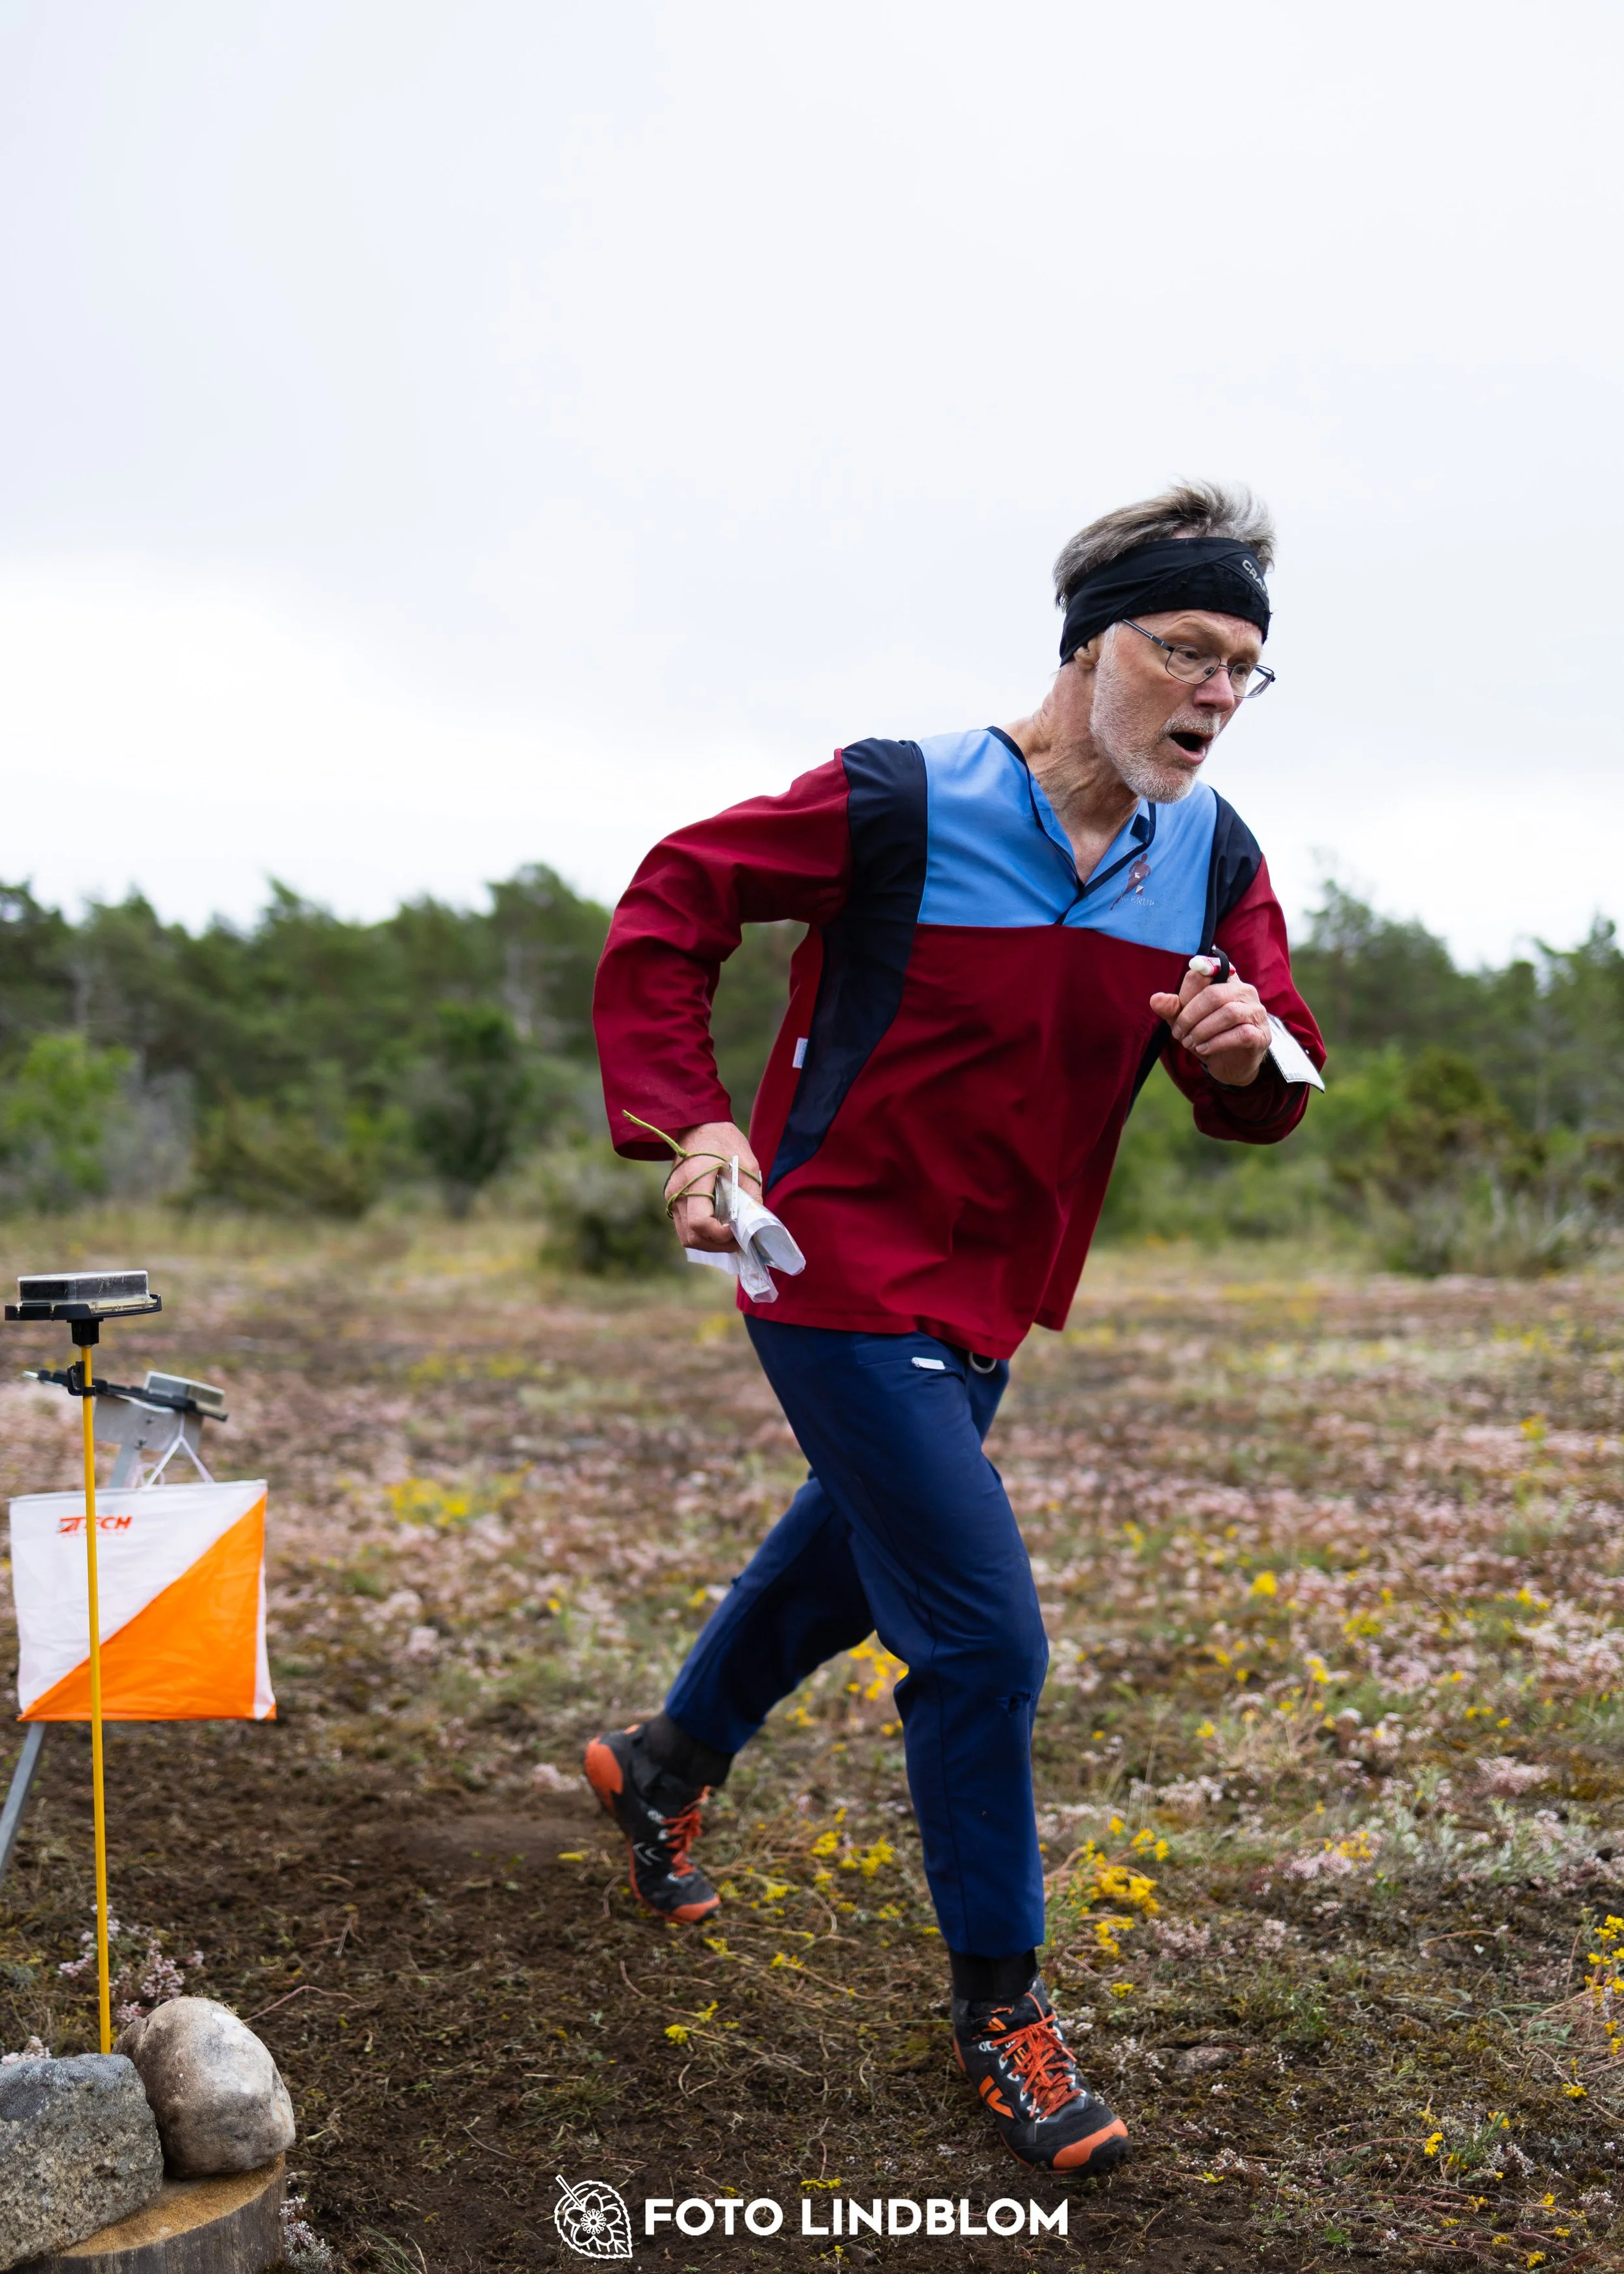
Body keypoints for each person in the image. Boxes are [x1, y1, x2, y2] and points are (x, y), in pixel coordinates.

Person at [584, 481, 1325, 2173]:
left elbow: (1280, 1066)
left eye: (1243, 671)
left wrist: (1235, 1053)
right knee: (982, 1644)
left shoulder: (1207, 855)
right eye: (1186, 652)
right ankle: (1001, 2007)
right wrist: (694, 1126)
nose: (1213, 697)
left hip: (993, 1286)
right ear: (1089, 648)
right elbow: (669, 903)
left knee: (851, 1550)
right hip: (825, 1259)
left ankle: (662, 1757)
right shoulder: (904, 798)